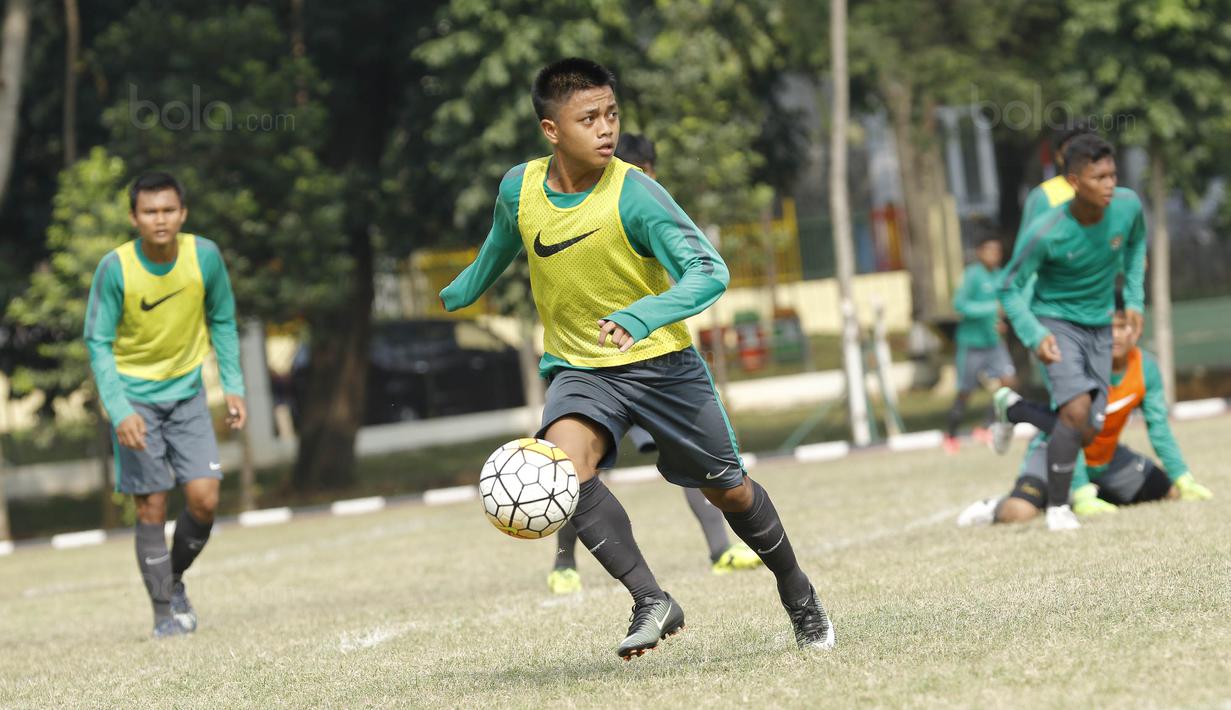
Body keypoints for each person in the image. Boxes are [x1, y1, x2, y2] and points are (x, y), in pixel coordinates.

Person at [440, 58, 834, 657]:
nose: (607, 129)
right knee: (565, 473)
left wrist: (642, 314)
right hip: (581, 368)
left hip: (663, 368)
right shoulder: (519, 187)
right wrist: (466, 288)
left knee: (728, 490)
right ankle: (652, 599)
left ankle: (798, 591)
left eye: (612, 115)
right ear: (551, 130)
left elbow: (710, 271)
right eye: (589, 118)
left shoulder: (636, 193)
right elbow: (502, 242)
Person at [546, 132, 761, 595]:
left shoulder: (653, 210)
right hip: (596, 371)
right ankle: (564, 563)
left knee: (690, 459)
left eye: (641, 174)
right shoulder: (590, 209)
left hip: (657, 363)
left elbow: (698, 276)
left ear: (651, 172)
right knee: (577, 468)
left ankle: (719, 549)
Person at [84, 172, 247, 638]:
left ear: (183, 214)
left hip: (188, 393)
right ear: (134, 217)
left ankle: (172, 581)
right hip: (135, 399)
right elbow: (97, 341)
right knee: (151, 506)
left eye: (169, 210)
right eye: (150, 211)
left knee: (205, 498)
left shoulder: (205, 256)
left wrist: (233, 386)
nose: (161, 220)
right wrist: (119, 410)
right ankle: (163, 618)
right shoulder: (115, 268)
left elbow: (222, 320)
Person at [991, 133, 1147, 531]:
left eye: (1113, 175)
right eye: (1100, 178)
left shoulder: (1128, 206)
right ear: (1075, 183)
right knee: (1076, 409)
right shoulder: (1047, 229)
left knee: (1089, 425)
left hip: (1099, 323)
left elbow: (1135, 246)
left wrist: (1133, 299)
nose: (1111, 184)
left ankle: (1014, 409)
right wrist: (1033, 333)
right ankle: (1059, 507)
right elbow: (1008, 286)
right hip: (1056, 322)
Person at [958, 295, 1213, 527]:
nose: (1115, 335)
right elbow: (1070, 429)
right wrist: (1080, 490)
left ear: (1135, 328)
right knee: (1020, 512)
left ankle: (1084, 488)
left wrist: (1182, 476)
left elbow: (1159, 427)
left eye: (1122, 326)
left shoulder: (1147, 368)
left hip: (1106, 458)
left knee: (1170, 493)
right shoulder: (1075, 366)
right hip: (1055, 450)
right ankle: (992, 507)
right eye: (1107, 327)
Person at [943, 235, 1018, 454]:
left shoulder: (1000, 276)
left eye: (998, 251)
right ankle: (950, 434)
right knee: (965, 391)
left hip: (993, 342)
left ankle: (986, 426)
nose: (995, 255)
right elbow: (960, 305)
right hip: (971, 344)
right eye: (990, 250)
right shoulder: (972, 275)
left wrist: (1000, 322)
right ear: (979, 252)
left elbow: (1003, 305)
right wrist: (990, 309)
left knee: (1009, 381)